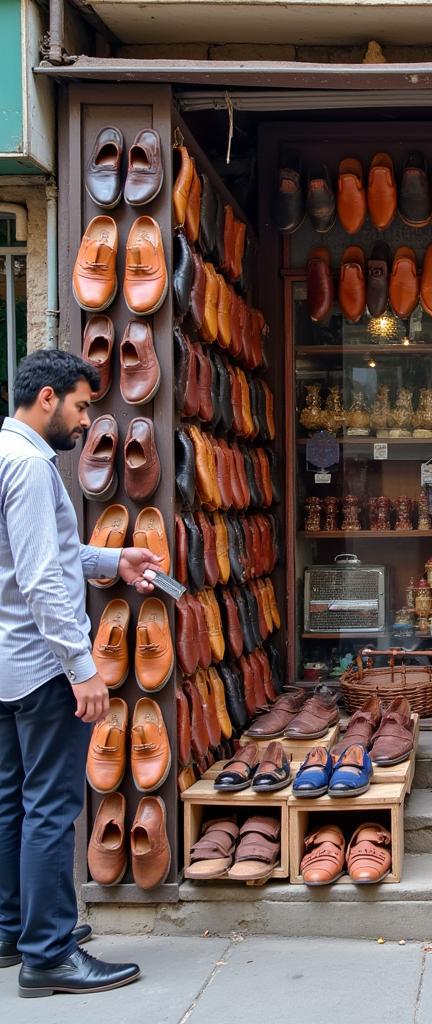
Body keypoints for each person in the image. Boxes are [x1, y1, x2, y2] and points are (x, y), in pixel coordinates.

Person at [0, 350, 163, 997]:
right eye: (79, 405)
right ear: (46, 398)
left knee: (12, 801)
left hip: (7, 660)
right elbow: (42, 579)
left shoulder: (5, 456)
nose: (85, 419)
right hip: (41, 667)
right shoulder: (33, 469)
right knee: (52, 807)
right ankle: (50, 954)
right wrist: (82, 668)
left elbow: (44, 556)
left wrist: (112, 558)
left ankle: (14, 929)